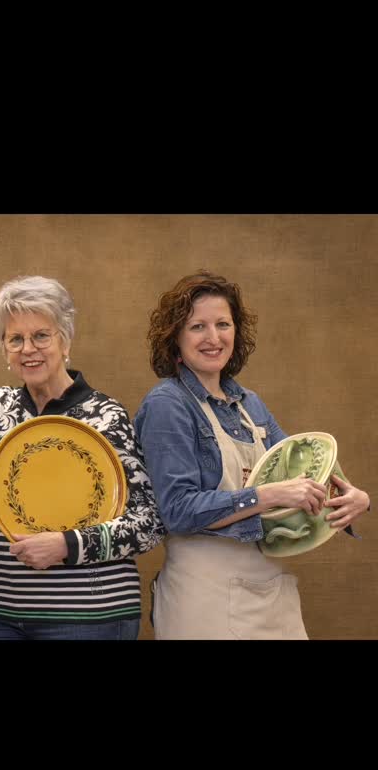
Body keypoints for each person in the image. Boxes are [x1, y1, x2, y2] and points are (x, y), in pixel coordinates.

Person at [133, 270, 371, 640]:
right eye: (198, 327)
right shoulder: (168, 404)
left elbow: (307, 474)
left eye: (223, 324)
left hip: (267, 591)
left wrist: (353, 498)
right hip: (203, 598)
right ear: (175, 338)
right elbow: (178, 510)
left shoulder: (250, 405)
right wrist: (269, 495)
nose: (213, 338)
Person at [0, 275, 164, 640]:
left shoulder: (106, 416)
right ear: (4, 348)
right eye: (15, 339)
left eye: (41, 335)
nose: (28, 349)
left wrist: (67, 546)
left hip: (90, 618)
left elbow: (149, 524)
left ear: (65, 339)